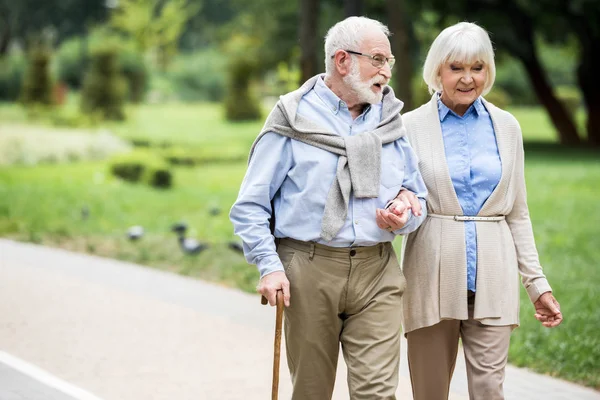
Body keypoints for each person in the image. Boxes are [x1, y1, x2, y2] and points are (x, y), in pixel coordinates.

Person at [230, 16, 427, 400]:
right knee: (312, 392)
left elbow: (415, 193)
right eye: (377, 60)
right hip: (308, 270)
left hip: (378, 270)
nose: (386, 71)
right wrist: (270, 267)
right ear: (342, 61)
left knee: (377, 394)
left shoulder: (390, 121)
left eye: (389, 62)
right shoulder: (292, 118)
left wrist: (405, 209)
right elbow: (250, 205)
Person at [377, 22, 563, 400]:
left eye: (477, 68)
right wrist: (397, 213)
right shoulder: (409, 127)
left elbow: (518, 212)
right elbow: (397, 196)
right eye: (456, 68)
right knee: (430, 392)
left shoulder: (507, 127)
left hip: (494, 273)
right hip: (431, 274)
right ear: (437, 72)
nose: (467, 78)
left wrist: (537, 283)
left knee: (489, 390)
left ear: (488, 71)